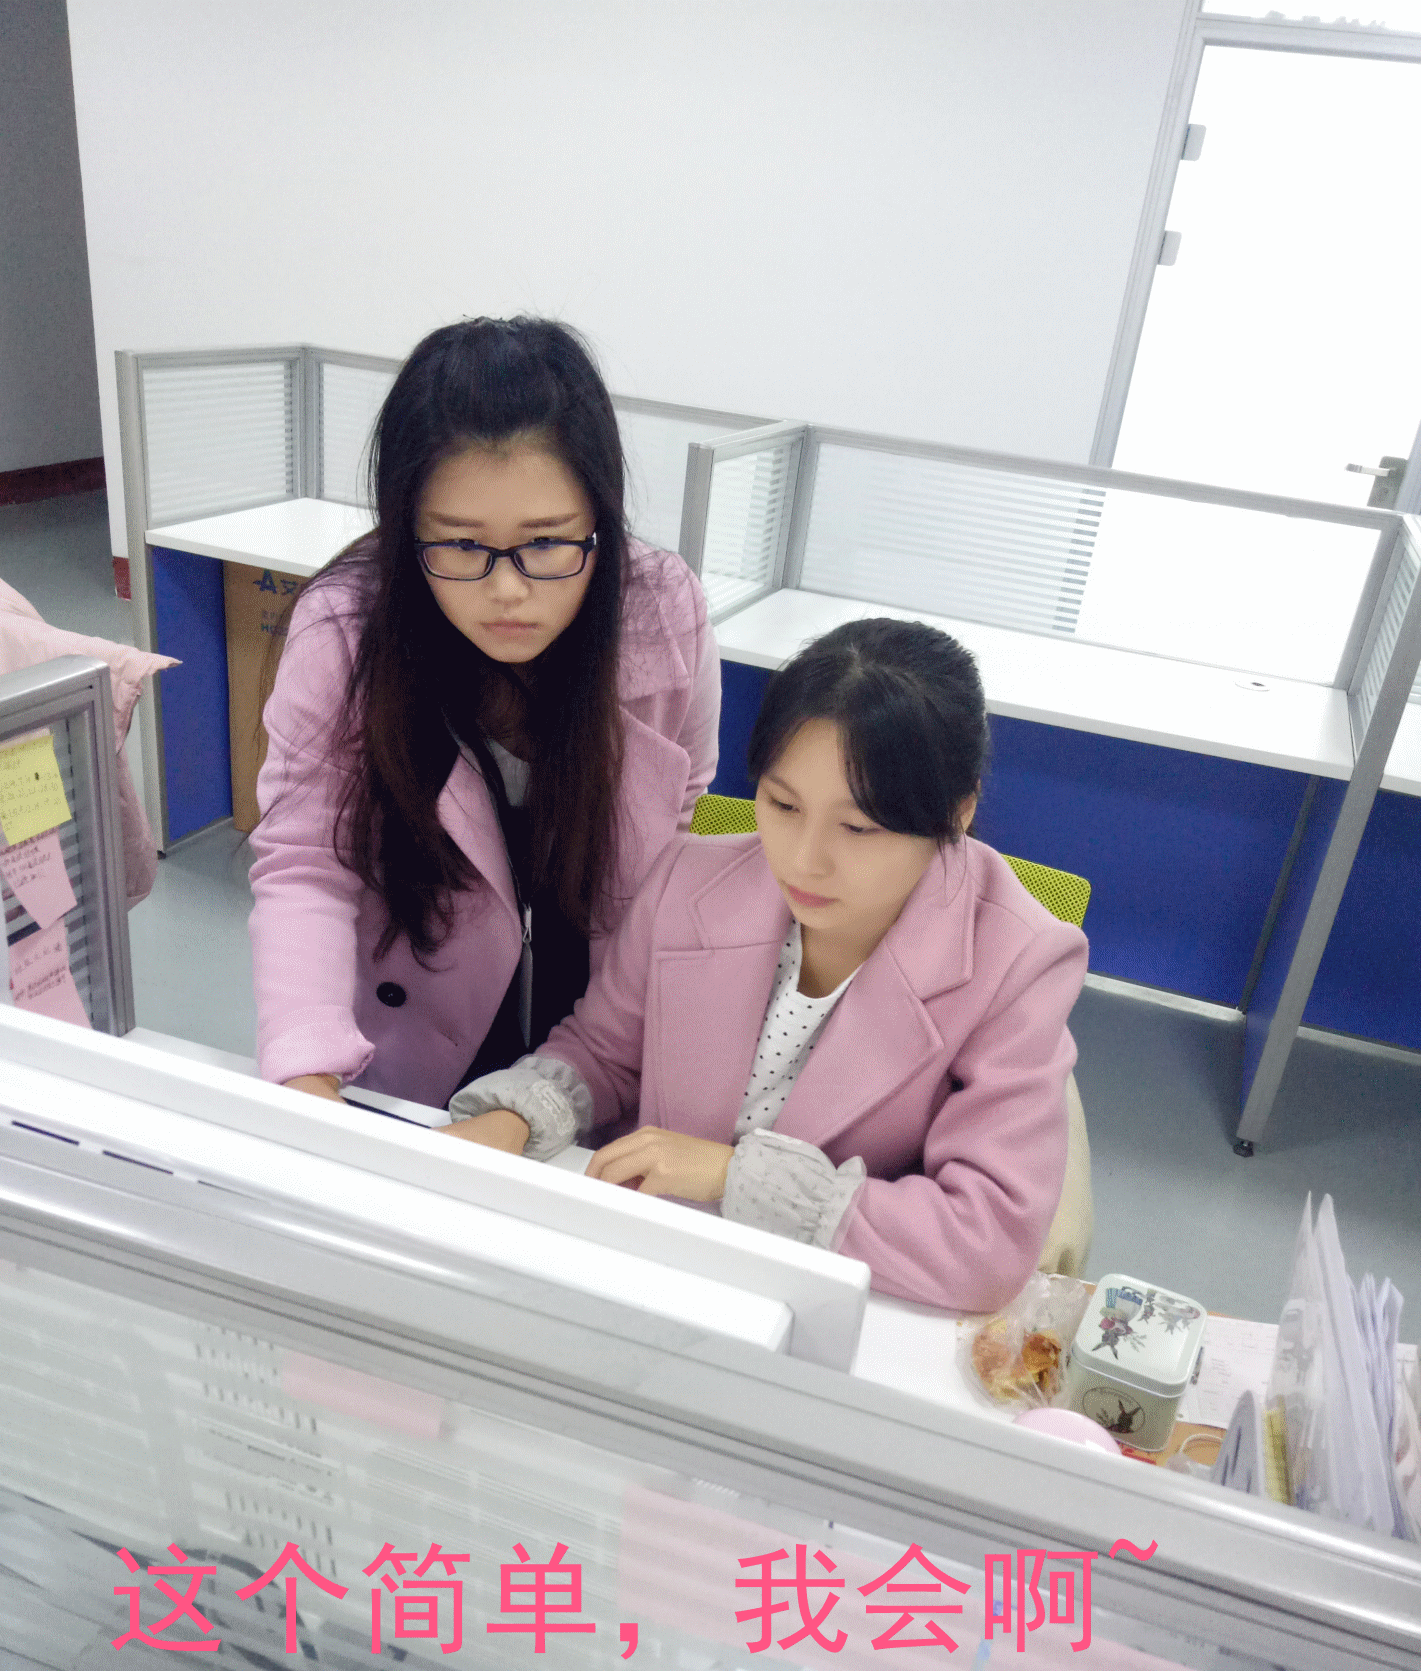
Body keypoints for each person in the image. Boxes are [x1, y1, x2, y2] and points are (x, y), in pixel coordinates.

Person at [444, 617, 1089, 1313]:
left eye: (858, 827)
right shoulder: (690, 878)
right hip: (649, 1266)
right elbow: (603, 1052)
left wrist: (735, 1176)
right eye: (783, 804)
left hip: (823, 1302)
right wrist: (520, 1112)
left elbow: (986, 1241)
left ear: (957, 814)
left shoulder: (1020, 960)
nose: (803, 859)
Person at [248, 317, 721, 1108]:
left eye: (548, 543)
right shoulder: (345, 630)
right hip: (416, 1036)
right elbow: (305, 862)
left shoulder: (665, 613)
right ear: (408, 528)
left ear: (600, 520)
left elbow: (676, 827)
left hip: (594, 1039)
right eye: (462, 546)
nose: (508, 590)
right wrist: (307, 1077)